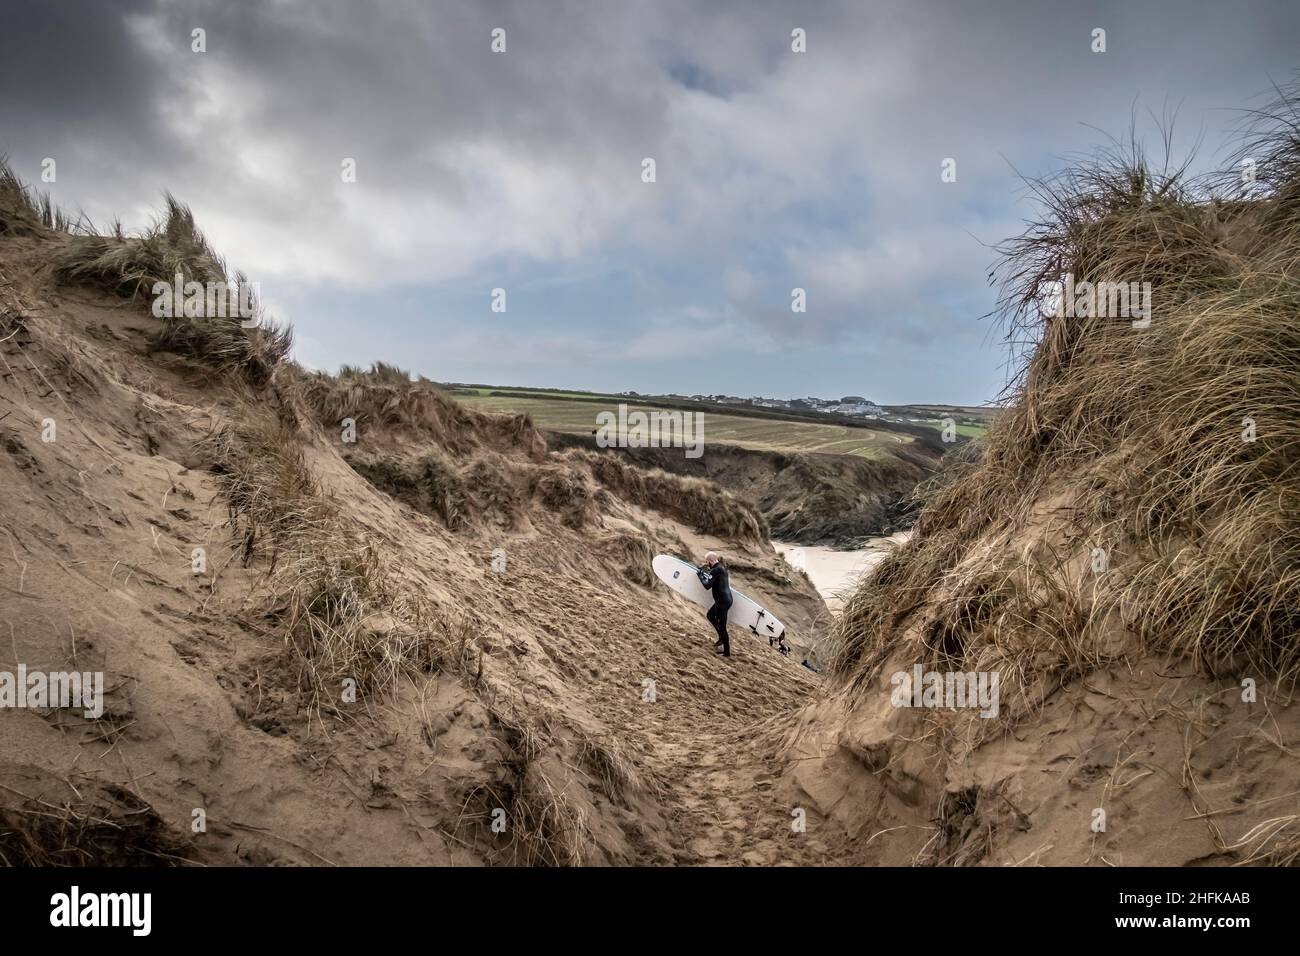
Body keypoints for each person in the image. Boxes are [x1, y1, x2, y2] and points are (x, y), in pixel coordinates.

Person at [697, 551, 733, 657]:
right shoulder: (721, 568)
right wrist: (704, 572)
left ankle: (727, 653)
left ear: (710, 561)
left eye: (707, 562)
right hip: (725, 599)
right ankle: (721, 637)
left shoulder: (716, 570)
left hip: (722, 601)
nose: (707, 564)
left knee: (722, 627)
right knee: (710, 615)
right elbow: (713, 578)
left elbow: (707, 585)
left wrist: (700, 576)